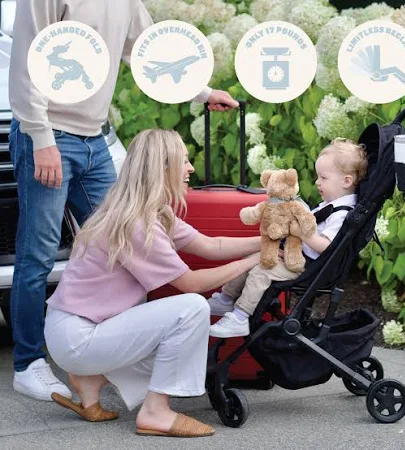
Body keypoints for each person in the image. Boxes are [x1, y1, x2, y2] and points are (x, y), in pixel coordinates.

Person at [10, 0, 239, 402]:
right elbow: (26, 61)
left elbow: (147, 51)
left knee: (124, 235)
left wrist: (201, 92)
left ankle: (100, 356)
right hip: (48, 136)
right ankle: (28, 364)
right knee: (39, 254)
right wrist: (40, 138)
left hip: (95, 138)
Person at [43, 128, 261, 437]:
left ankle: (90, 380)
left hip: (74, 330)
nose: (190, 169)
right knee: (192, 310)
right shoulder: (137, 224)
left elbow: (212, 246)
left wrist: (266, 243)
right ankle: (155, 412)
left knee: (180, 340)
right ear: (162, 167)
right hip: (79, 336)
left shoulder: (148, 212)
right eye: (184, 161)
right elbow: (190, 284)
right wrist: (253, 262)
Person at [209, 138, 369, 338]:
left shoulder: (342, 213)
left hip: (308, 266)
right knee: (251, 258)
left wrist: (301, 234)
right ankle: (226, 298)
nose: (317, 182)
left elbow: (327, 246)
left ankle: (240, 316)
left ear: (346, 181)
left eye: (323, 178)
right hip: (296, 255)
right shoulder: (330, 204)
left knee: (262, 271)